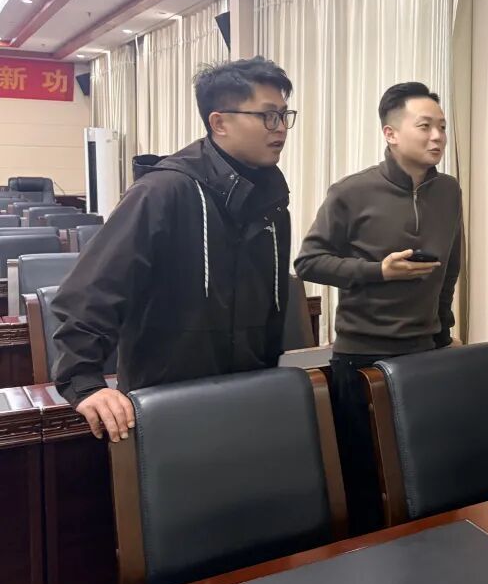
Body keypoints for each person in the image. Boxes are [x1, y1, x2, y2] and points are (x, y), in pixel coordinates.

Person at [52, 57, 296, 442]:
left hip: (249, 397)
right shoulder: (163, 192)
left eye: (283, 115)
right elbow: (90, 292)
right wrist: (83, 381)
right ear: (219, 122)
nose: (280, 128)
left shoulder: (271, 201)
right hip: (166, 406)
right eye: (267, 116)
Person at [294, 81, 462, 533]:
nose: (437, 137)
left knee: (422, 469)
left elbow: (450, 267)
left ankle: (421, 552)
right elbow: (308, 262)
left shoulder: (448, 191)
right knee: (364, 475)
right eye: (424, 126)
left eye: (442, 127)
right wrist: (377, 272)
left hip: (424, 351)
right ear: (391, 133)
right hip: (361, 353)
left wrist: (443, 331)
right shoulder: (351, 192)